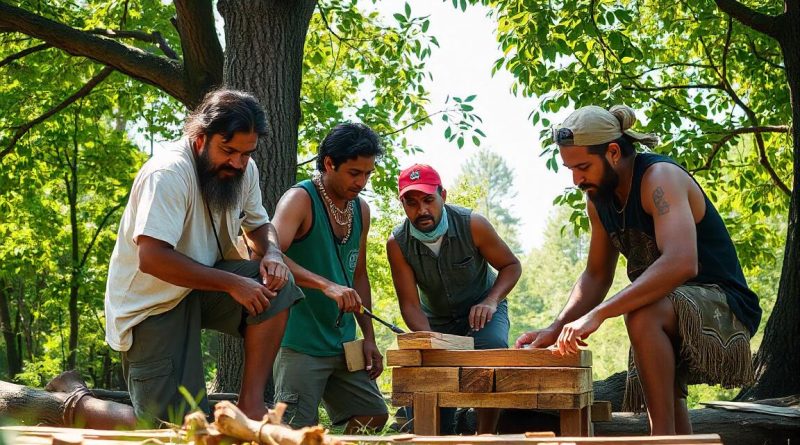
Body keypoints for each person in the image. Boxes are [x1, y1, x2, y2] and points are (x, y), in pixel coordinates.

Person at [516, 105, 761, 435]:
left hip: (724, 303)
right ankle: (675, 439)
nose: (576, 179)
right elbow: (596, 275)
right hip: (666, 305)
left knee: (642, 314)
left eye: (583, 166)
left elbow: (681, 262)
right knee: (648, 321)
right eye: (570, 169)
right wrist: (557, 327)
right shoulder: (597, 200)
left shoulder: (660, 178)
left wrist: (600, 314)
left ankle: (659, 438)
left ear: (613, 152)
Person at [104, 88, 304, 426]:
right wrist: (233, 283)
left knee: (277, 288)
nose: (238, 163)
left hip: (203, 286)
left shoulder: (244, 170)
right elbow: (152, 258)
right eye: (228, 151)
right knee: (175, 425)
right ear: (200, 138)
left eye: (246, 153)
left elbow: (260, 225)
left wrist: (272, 252)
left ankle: (251, 406)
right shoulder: (167, 173)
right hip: (152, 304)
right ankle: (74, 404)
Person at [270, 123, 388, 432]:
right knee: (295, 431)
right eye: (354, 173)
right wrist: (326, 285)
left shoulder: (360, 209)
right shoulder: (300, 199)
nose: (361, 182)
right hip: (299, 341)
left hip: (344, 343)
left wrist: (370, 338)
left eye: (367, 174)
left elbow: (358, 274)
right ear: (328, 164)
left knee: (373, 414)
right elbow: (267, 253)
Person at [386, 164, 521, 434]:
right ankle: (436, 434)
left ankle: (485, 435)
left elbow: (511, 266)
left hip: (484, 313)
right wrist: (430, 340)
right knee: (424, 370)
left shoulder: (473, 224)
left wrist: (491, 301)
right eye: (411, 203)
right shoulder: (397, 243)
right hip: (434, 321)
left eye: (428, 200)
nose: (421, 210)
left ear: (443, 196)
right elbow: (410, 305)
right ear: (402, 204)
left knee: (491, 351)